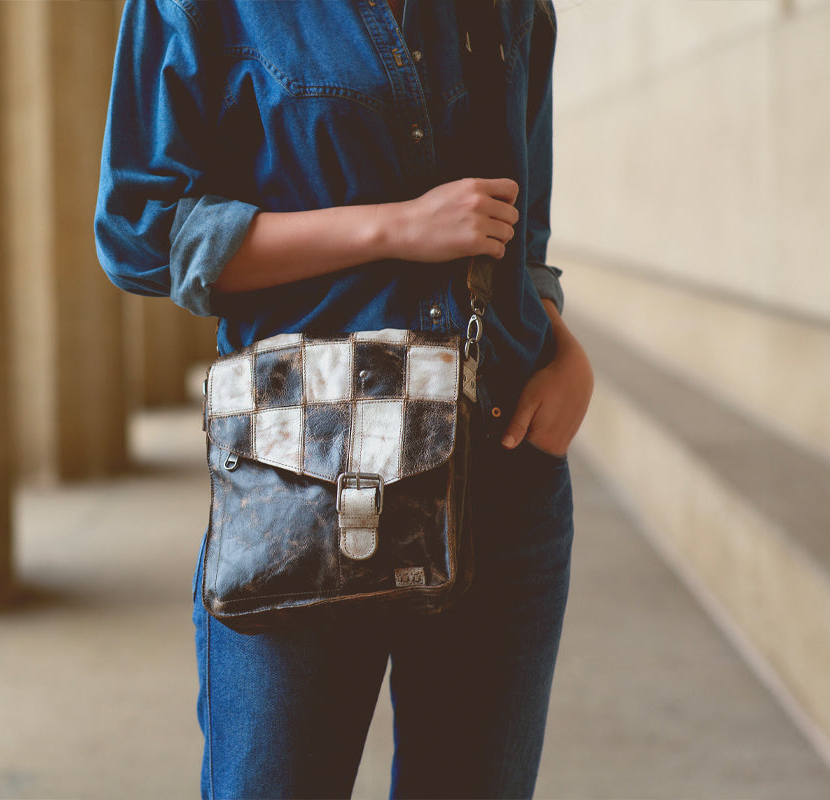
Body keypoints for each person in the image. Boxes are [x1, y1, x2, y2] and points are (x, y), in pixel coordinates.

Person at [94, 0, 593, 796]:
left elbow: (520, 235)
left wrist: (564, 349)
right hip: (302, 478)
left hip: (501, 473)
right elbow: (141, 235)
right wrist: (394, 228)